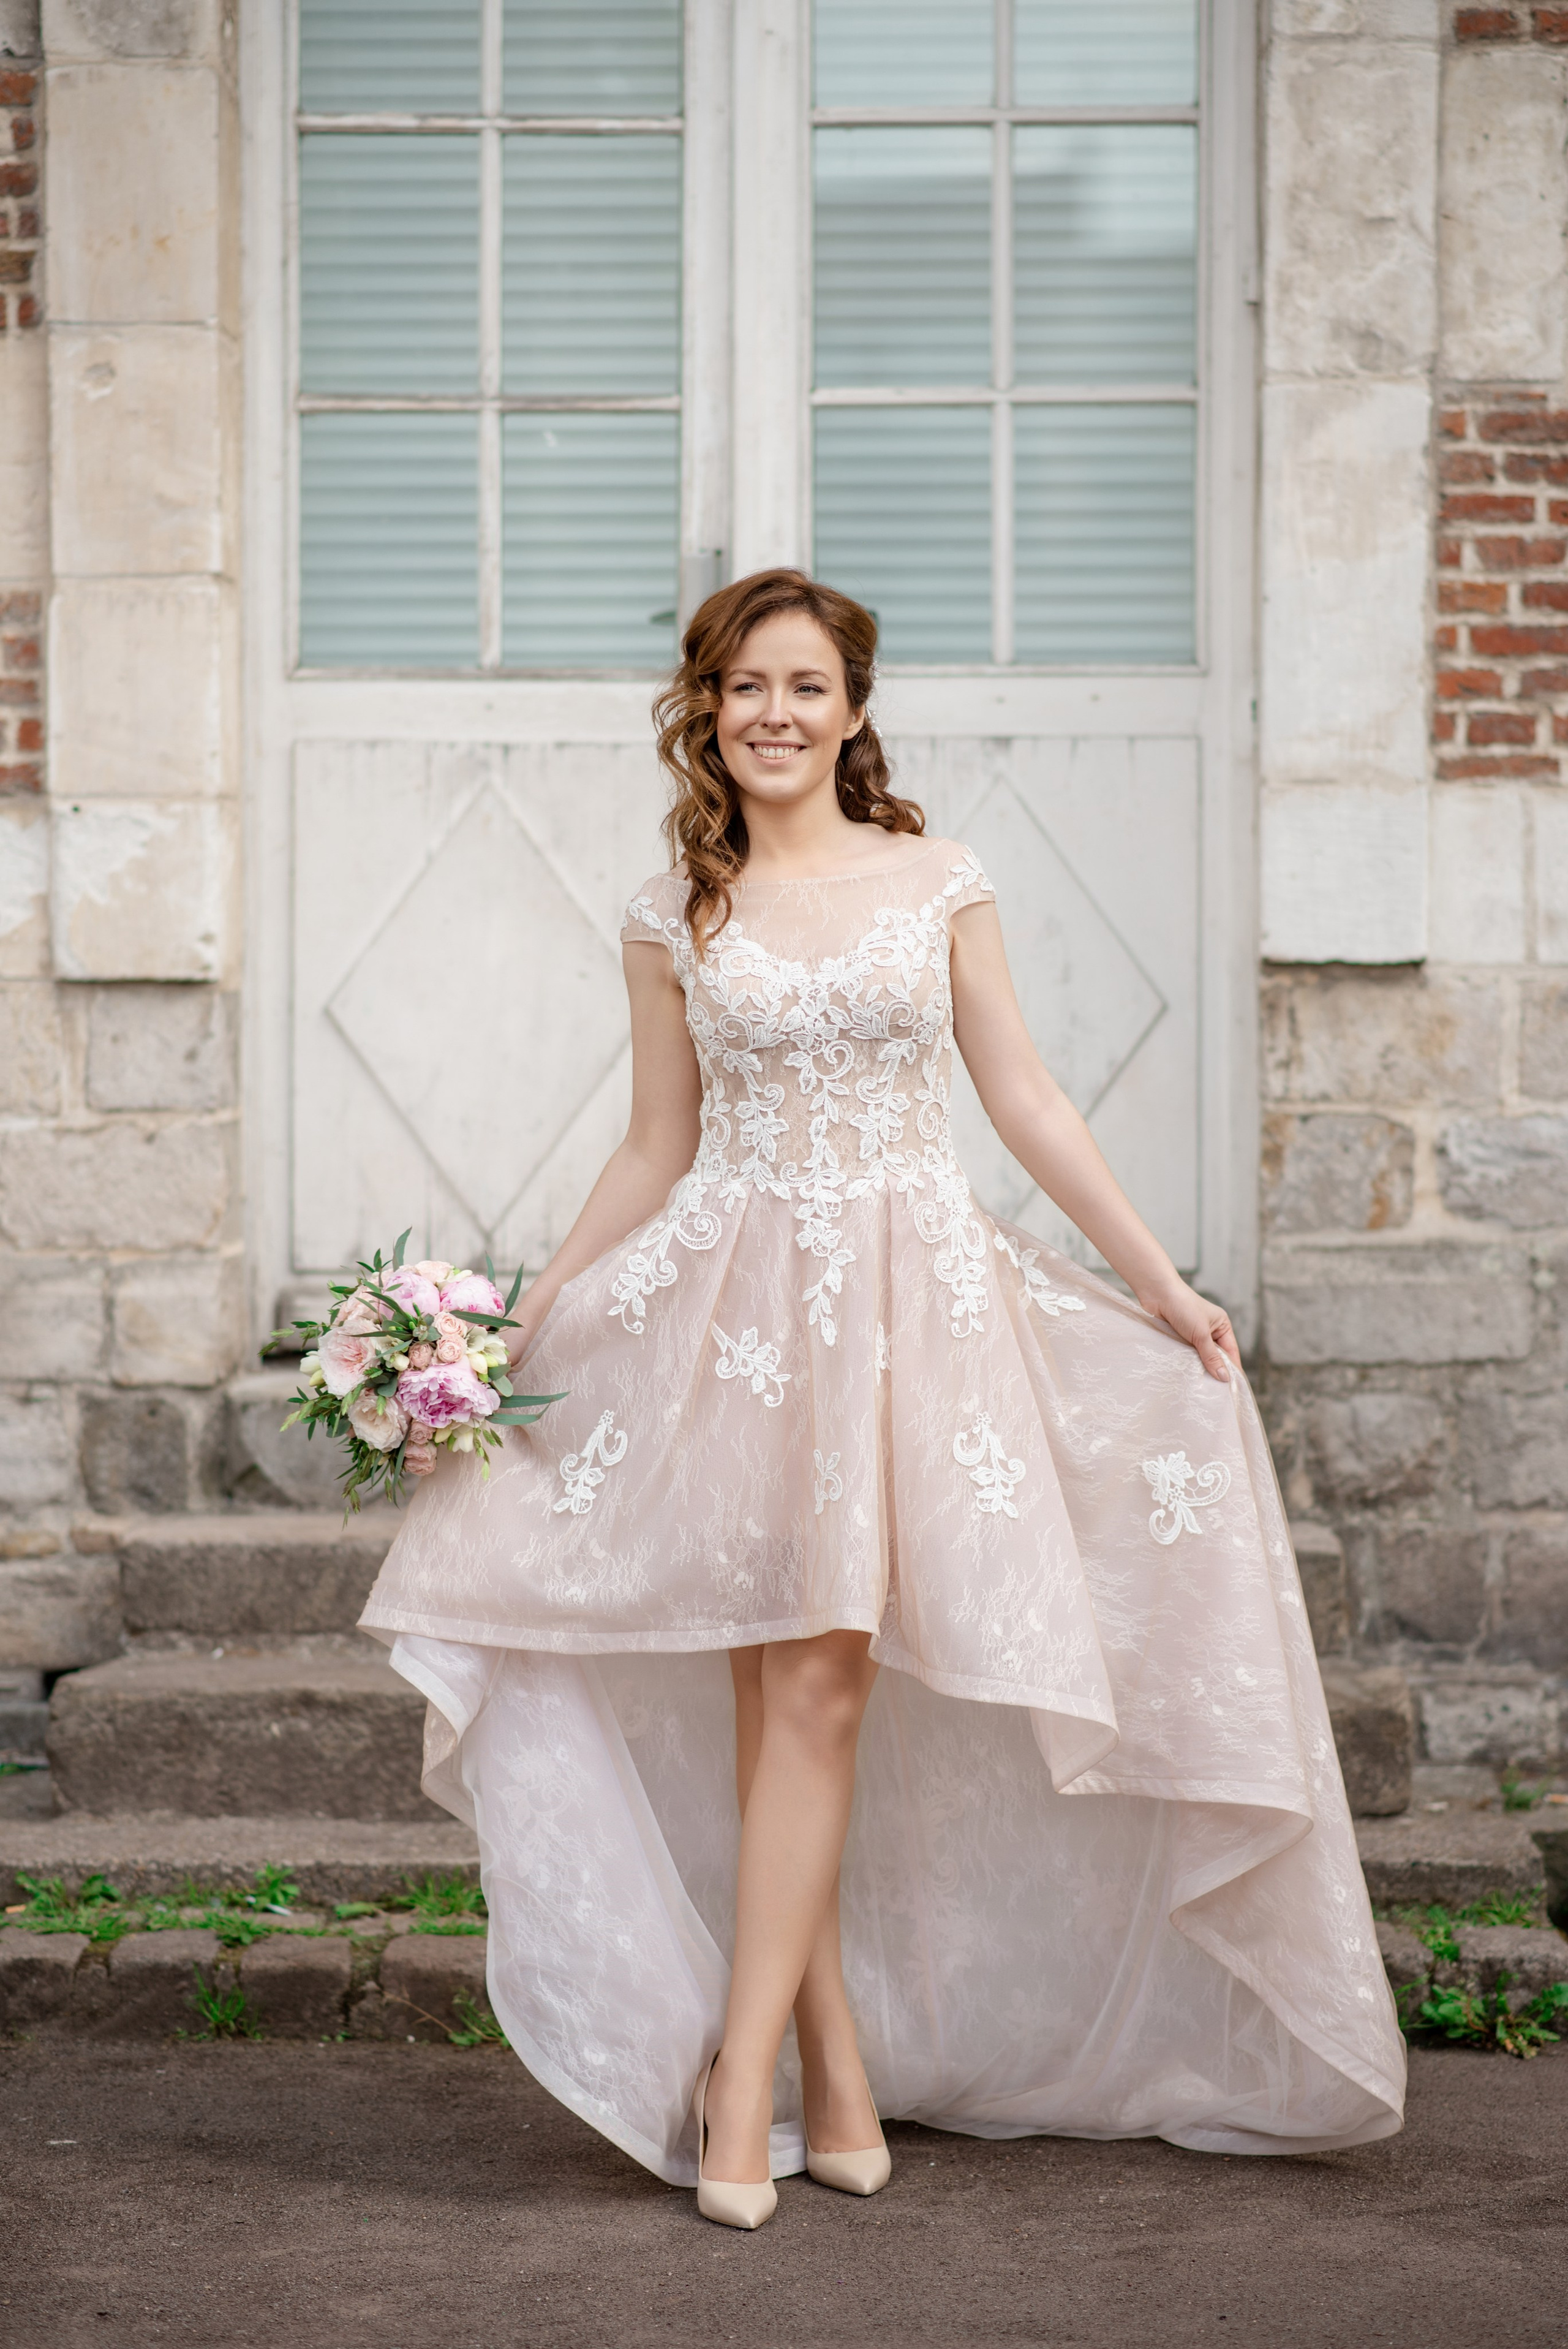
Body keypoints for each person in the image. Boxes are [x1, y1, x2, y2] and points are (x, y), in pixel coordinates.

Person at [358, 568, 1405, 2230]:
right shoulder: (673, 910)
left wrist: (1161, 1284)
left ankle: (736, 2076)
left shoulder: (939, 878)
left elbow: (1028, 1097)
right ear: (707, 710)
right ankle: (827, 2075)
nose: (771, 711)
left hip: (914, 1313)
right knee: (775, 1700)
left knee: (826, 1692)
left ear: (852, 708)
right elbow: (656, 1143)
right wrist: (538, 1301)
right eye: (741, 686)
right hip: (731, 1321)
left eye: (803, 684)